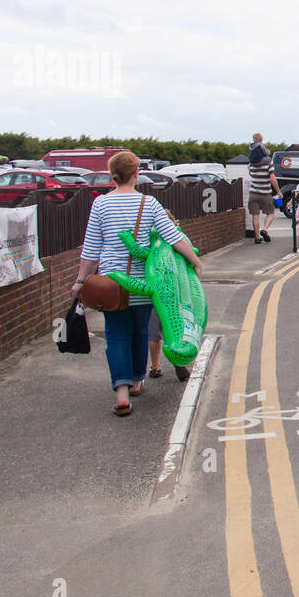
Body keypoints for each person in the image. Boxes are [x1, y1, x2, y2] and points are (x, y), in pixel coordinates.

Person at [72, 151, 203, 416]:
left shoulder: (100, 205)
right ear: (135, 175)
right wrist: (195, 262)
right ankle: (135, 380)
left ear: (112, 175)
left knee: (117, 334)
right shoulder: (149, 204)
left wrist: (80, 281)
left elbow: (91, 249)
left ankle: (121, 393)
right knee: (141, 330)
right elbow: (173, 236)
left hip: (112, 285)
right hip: (145, 283)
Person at [248, 145, 279, 245]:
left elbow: (251, 175)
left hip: (253, 193)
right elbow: (273, 179)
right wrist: (278, 191)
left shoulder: (250, 164)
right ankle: (265, 229)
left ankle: (257, 237)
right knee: (270, 213)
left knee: (255, 215)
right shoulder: (268, 163)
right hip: (265, 193)